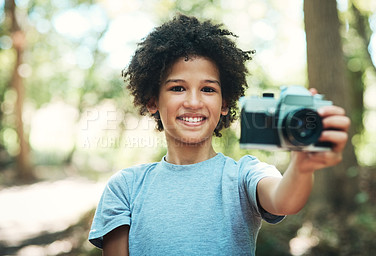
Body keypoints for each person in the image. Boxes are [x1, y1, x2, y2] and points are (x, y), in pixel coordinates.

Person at [88, 14, 350, 255]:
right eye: (178, 88)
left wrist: (302, 166)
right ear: (152, 100)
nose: (193, 101)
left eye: (208, 89)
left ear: (225, 103)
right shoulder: (125, 187)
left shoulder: (244, 175)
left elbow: (284, 200)